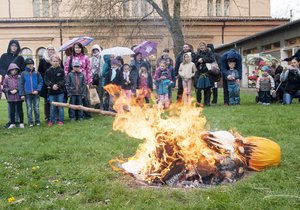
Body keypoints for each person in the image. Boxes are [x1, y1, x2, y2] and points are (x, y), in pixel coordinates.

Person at [0, 39, 25, 127]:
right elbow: (1, 68)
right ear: (9, 46)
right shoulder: (4, 56)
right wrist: (5, 75)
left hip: (17, 82)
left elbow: (23, 70)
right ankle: (11, 121)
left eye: (16, 46)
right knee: (10, 102)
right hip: (7, 81)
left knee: (18, 102)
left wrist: (19, 77)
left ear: (18, 47)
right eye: (12, 45)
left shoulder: (20, 58)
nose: (14, 47)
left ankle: (18, 121)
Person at [64, 42, 92, 119]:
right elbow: (66, 69)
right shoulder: (70, 58)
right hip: (73, 80)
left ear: (81, 49)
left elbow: (89, 69)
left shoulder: (85, 57)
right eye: (76, 47)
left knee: (84, 99)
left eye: (79, 47)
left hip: (83, 80)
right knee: (73, 100)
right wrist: (67, 79)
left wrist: (89, 81)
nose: (78, 49)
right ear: (74, 48)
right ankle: (73, 116)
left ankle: (86, 115)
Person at [19, 58, 43, 127]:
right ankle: (30, 122)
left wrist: (37, 90)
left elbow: (40, 82)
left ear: (33, 64)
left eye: (31, 64)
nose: (30, 65)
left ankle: (37, 121)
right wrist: (22, 94)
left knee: (36, 108)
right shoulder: (23, 73)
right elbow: (21, 84)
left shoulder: (37, 73)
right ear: (26, 65)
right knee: (29, 108)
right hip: (27, 94)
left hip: (36, 94)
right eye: (28, 64)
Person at [38, 45, 59, 121]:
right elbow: (40, 71)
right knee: (47, 101)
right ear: (47, 51)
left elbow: (61, 70)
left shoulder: (57, 59)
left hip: (56, 84)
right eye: (49, 50)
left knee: (56, 100)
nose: (51, 51)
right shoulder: (43, 60)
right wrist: (47, 80)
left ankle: (56, 116)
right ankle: (48, 116)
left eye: (52, 49)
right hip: (46, 83)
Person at [44, 55, 66, 126]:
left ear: (59, 62)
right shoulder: (48, 71)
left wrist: (58, 85)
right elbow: (46, 80)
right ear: (51, 62)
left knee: (60, 107)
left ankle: (61, 120)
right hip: (51, 92)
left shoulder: (61, 70)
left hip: (60, 92)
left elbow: (63, 80)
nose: (55, 62)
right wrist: (52, 85)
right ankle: (51, 120)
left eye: (57, 61)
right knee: (52, 107)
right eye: (54, 61)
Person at [2, 63, 24, 129]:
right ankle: (12, 123)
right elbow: (4, 87)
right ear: (9, 70)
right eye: (12, 70)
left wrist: (17, 90)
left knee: (20, 110)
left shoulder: (20, 77)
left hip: (19, 97)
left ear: (17, 70)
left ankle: (21, 123)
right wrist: (9, 91)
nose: (14, 71)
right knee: (12, 111)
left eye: (15, 70)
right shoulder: (6, 78)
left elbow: (22, 86)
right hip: (10, 98)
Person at [194, 41, 214, 106]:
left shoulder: (209, 52)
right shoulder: (197, 54)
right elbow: (195, 63)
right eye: (200, 45)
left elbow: (212, 59)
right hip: (199, 74)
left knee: (207, 89)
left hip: (208, 73)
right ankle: (198, 102)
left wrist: (203, 59)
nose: (201, 47)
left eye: (203, 45)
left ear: (205, 46)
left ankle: (207, 102)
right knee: (198, 89)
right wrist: (199, 62)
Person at [90, 44, 104, 109]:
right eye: (94, 51)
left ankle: (101, 107)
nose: (95, 52)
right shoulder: (90, 59)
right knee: (93, 92)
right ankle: (93, 106)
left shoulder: (102, 58)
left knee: (100, 92)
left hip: (100, 77)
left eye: (96, 50)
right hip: (93, 77)